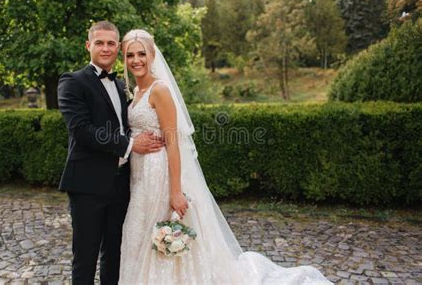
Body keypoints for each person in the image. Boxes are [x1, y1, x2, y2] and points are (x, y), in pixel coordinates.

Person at [118, 29, 333, 284]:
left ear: (153, 55)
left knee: (162, 241)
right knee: (138, 235)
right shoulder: (134, 94)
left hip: (161, 177)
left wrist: (176, 191)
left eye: (142, 53)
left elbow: (174, 143)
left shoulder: (159, 90)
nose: (136, 60)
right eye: (130, 55)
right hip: (140, 178)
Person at [57, 21, 164, 285]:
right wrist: (130, 145)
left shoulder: (120, 86)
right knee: (85, 257)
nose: (106, 48)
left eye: (111, 43)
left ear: (118, 47)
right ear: (88, 46)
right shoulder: (72, 82)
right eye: (99, 42)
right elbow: (82, 130)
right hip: (87, 184)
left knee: (115, 255)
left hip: (121, 183)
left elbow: (125, 125)